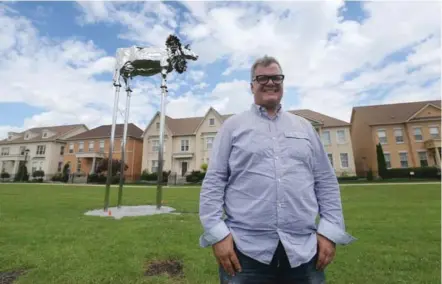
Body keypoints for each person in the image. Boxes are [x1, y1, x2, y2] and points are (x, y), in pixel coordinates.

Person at [198, 55, 356, 284]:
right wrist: (217, 235)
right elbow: (214, 181)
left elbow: (325, 181)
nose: (270, 82)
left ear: (283, 83)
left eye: (276, 77)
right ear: (252, 85)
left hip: (304, 251)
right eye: (262, 78)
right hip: (245, 250)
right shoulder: (232, 126)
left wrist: (329, 232)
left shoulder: (304, 127)